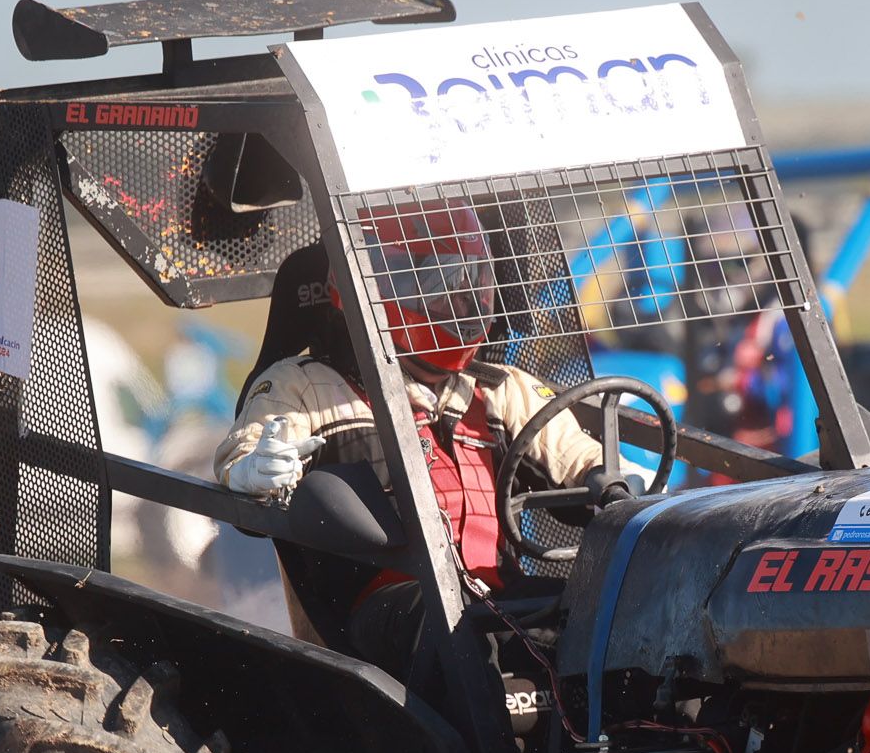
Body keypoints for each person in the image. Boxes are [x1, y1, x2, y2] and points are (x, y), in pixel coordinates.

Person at [217, 205, 604, 594]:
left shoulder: (502, 387)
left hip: (498, 594)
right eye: (442, 289)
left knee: (583, 619)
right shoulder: (303, 384)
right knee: (456, 632)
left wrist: (613, 482)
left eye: (471, 283)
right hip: (396, 599)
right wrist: (252, 470)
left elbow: (574, 454)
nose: (463, 306)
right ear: (381, 289)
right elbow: (246, 453)